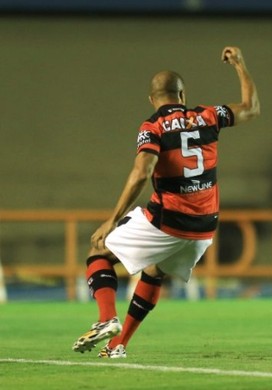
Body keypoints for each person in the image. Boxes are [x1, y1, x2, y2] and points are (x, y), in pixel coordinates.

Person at [71, 46, 260, 358]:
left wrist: (111, 219)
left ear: (151, 99)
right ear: (182, 95)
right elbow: (251, 109)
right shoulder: (208, 115)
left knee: (98, 252)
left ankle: (106, 320)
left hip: (170, 220)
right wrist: (240, 64)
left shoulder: (152, 126)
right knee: (154, 272)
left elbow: (140, 173)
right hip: (206, 227)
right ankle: (118, 346)